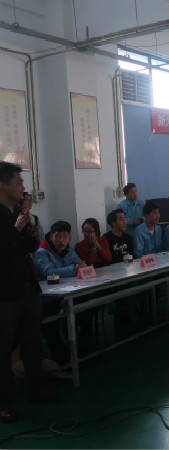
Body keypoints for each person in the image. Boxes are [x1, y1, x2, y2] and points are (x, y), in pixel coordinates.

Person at [0, 162, 57, 422]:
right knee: (4, 347)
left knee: (33, 341)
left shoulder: (17, 213)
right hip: (5, 292)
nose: (23, 187)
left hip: (27, 286)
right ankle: (4, 401)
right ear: (2, 185)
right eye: (18, 182)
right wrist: (17, 230)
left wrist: (32, 235)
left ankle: (36, 387)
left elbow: (26, 249)